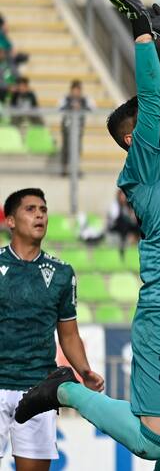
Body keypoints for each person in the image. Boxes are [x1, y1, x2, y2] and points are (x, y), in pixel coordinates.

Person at [15, 0, 160, 471]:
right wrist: (142, 36)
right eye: (159, 118)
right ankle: (63, 389)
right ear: (136, 140)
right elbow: (153, 96)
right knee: (156, 444)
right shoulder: (146, 167)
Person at [0, 189, 103, 471]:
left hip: (37, 388)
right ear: (10, 221)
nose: (39, 215)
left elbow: (68, 334)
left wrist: (84, 371)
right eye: (30, 209)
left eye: (43, 210)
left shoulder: (62, 273)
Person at [59, 79, 95, 177]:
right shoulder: (66, 99)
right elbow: (59, 108)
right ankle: (64, 169)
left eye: (78, 90)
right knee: (66, 148)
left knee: (77, 149)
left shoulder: (84, 99)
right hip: (67, 126)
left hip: (78, 127)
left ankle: (75, 169)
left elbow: (92, 108)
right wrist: (70, 106)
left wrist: (81, 107)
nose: (76, 92)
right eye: (74, 90)